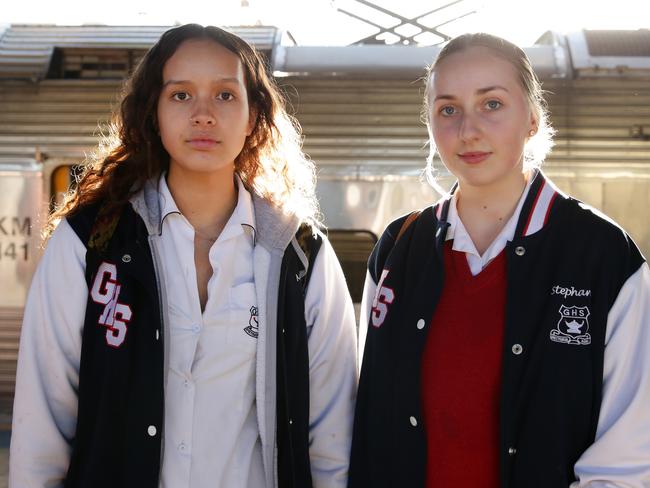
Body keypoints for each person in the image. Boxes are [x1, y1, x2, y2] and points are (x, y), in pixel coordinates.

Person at [10, 24, 357, 488]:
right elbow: (43, 420)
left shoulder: (300, 255)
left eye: (225, 95)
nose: (203, 114)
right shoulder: (91, 243)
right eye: (180, 95)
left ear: (253, 116)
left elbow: (332, 437)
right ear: (153, 112)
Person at [349, 33, 650, 488]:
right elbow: (364, 418)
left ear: (531, 118)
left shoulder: (604, 256)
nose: (467, 130)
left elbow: (627, 457)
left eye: (491, 104)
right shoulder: (398, 247)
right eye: (448, 109)